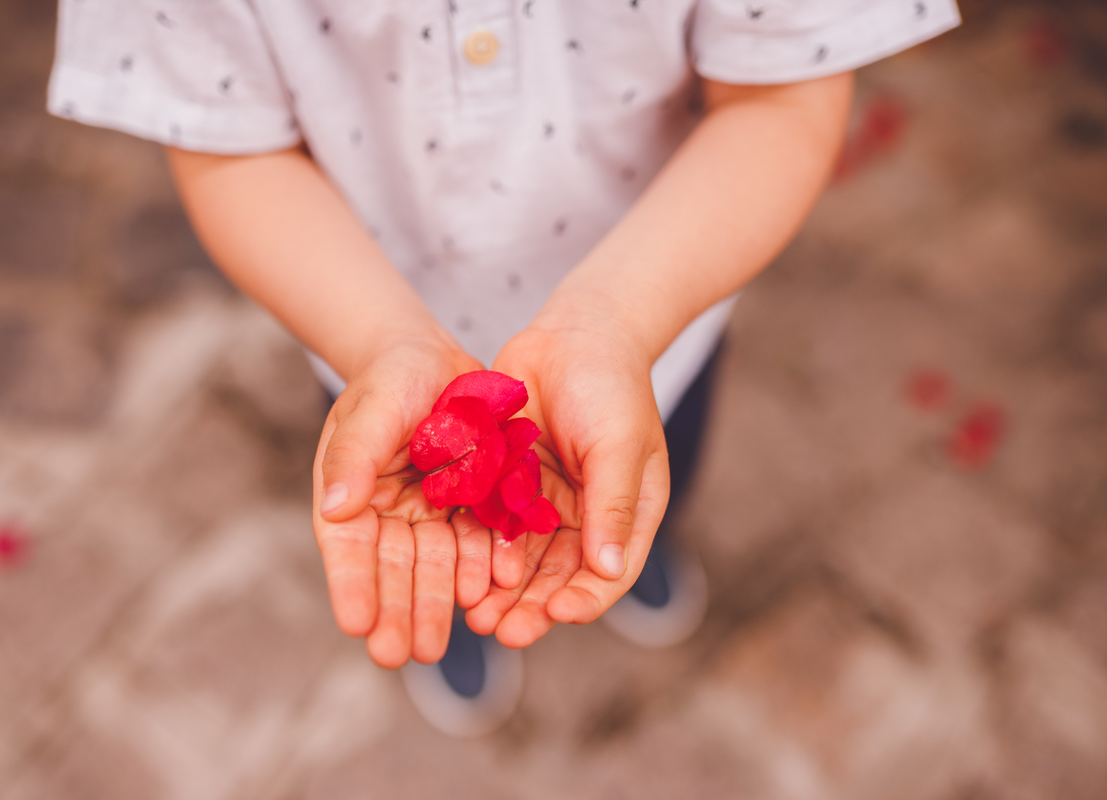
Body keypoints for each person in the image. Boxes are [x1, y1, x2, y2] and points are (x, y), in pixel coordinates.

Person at [49, 0, 960, 735]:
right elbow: (229, 145)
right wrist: (379, 343)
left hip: (651, 332)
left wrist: (617, 322)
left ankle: (643, 546)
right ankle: (454, 630)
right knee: (436, 548)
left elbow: (783, 97)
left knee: (648, 475)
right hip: (375, 337)